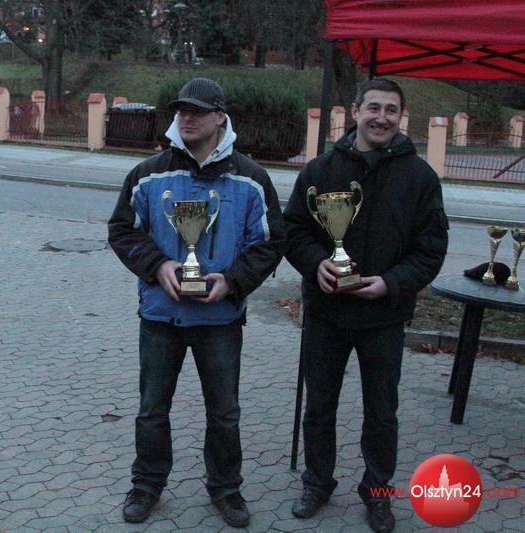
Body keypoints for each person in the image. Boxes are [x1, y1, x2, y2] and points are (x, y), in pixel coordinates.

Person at [108, 78, 286, 528]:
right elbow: (122, 230)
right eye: (182, 110)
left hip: (220, 318)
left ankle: (225, 489)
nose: (187, 117)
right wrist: (158, 266)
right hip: (161, 315)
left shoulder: (251, 178)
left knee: (224, 413)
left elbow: (269, 242)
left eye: (198, 111)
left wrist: (233, 281)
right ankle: (146, 485)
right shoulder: (148, 173)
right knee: (152, 411)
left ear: (220, 116)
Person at [283, 78, 448, 533]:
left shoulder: (420, 178)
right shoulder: (320, 170)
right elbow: (292, 230)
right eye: (373, 107)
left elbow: (431, 249)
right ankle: (317, 483)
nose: (381, 117)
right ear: (355, 111)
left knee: (381, 412)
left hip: (384, 317)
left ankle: (377, 492)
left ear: (401, 117)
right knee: (319, 407)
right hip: (326, 313)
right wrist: (315, 263)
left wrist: (392, 284)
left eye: (391, 110)